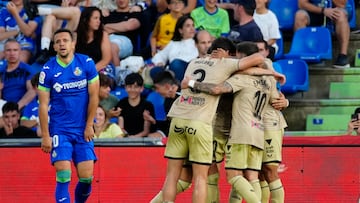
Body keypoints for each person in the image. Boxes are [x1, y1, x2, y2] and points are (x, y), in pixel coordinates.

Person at [160, 37, 284, 203]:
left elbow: (221, 86)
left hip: (197, 121)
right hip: (237, 127)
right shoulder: (239, 69)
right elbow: (257, 70)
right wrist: (274, 74)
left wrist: (190, 83)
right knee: (247, 175)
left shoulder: (195, 63)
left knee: (185, 176)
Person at [38, 28, 99, 203]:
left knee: (86, 179)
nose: (62, 44)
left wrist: (89, 125)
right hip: (60, 130)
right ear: (54, 47)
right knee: (64, 175)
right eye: (58, 42)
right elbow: (43, 105)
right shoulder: (48, 69)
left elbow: (94, 96)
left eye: (65, 40)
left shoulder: (86, 63)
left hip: (82, 130)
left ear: (73, 43)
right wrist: (45, 136)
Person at [294, 0, 350, 68]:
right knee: (300, 15)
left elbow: (342, 4)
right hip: (316, 11)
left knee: (341, 15)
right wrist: (323, 10)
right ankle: (302, 53)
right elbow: (302, 4)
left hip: (334, 10)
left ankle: (343, 55)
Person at [150, 15, 198, 81]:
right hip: (173, 72)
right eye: (188, 26)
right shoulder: (173, 43)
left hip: (192, 72)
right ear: (180, 30)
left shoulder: (198, 42)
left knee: (176, 63)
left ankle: (178, 88)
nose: (192, 29)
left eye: (193, 25)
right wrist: (160, 62)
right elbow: (160, 55)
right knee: (155, 71)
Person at [103, 0, 143, 67]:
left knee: (111, 47)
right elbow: (102, 28)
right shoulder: (108, 14)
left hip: (125, 41)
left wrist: (108, 26)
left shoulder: (134, 13)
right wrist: (121, 27)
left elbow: (129, 26)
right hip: (106, 38)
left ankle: (118, 74)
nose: (121, 0)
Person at [0, 39, 37, 110]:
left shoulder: (28, 70)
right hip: (4, 109)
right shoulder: (1, 71)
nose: (12, 53)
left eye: (15, 50)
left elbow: (32, 91)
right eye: (8, 50)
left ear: (20, 52)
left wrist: (16, 108)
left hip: (24, 108)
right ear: (4, 53)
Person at [115, 72, 155, 137]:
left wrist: (134, 138)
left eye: (136, 87)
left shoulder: (148, 105)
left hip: (143, 141)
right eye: (129, 87)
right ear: (125, 87)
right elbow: (121, 127)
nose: (132, 90)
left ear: (141, 88)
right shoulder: (121, 104)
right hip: (125, 139)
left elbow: (146, 131)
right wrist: (127, 137)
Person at [76, 6, 112, 72]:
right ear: (85, 19)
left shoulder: (103, 35)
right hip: (79, 70)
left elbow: (106, 59)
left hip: (98, 68)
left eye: (99, 18)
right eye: (95, 18)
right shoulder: (76, 35)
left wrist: (91, 72)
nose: (98, 21)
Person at [20, 72, 42, 137]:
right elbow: (23, 123)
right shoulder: (30, 106)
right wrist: (38, 122)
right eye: (39, 86)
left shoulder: (57, 104)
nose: (43, 89)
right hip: (32, 139)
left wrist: (33, 123)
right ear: (34, 89)